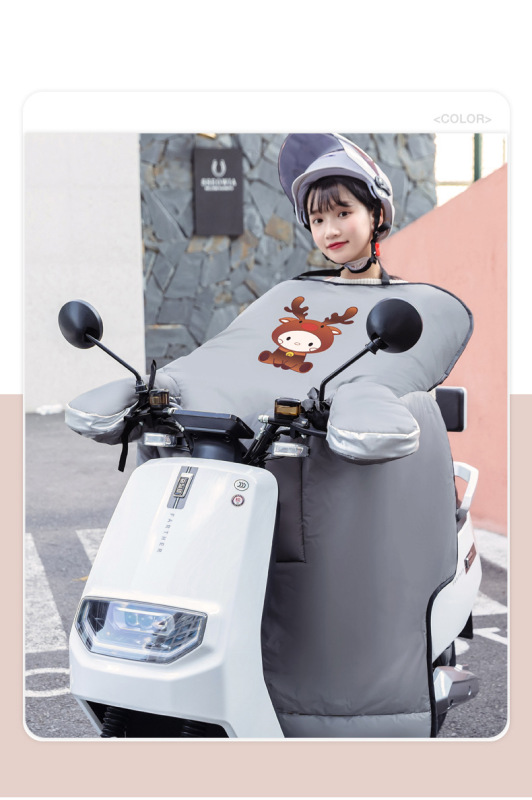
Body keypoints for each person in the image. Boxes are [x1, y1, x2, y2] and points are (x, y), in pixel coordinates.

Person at [65, 133, 474, 738]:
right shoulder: (290, 296)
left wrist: (359, 399)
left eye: (343, 212)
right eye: (318, 218)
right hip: (255, 475)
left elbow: (384, 374)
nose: (330, 229)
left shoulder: (410, 304)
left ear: (376, 214)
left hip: (339, 486)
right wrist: (161, 387)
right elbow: (226, 358)